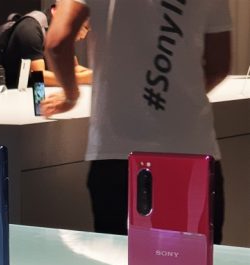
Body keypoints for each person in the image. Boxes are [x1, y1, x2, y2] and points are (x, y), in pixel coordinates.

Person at [41, 0, 232, 242]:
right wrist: (172, 101)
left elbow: (57, 43)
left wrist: (71, 95)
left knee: (122, 261)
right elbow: (218, 65)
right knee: (194, 262)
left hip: (116, 151)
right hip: (190, 149)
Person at [0, 2, 91, 89]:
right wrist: (82, 79)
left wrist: (93, 76)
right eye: (84, 27)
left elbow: (74, 68)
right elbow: (38, 77)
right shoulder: (30, 28)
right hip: (16, 95)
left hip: (42, 93)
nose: (83, 36)